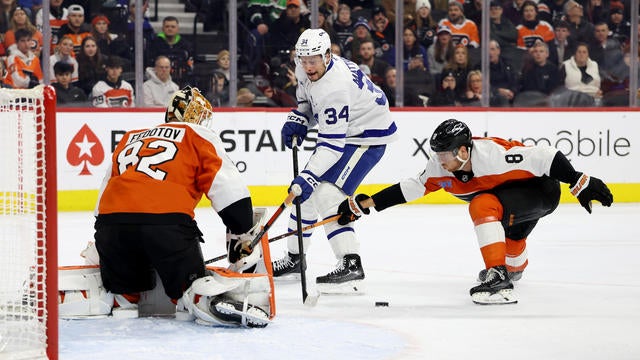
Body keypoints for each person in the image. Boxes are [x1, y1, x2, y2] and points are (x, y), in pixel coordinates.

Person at [336, 118, 613, 304]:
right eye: (438, 153)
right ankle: (510, 269)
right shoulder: (439, 168)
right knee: (513, 257)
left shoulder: (492, 154)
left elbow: (547, 156)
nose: (440, 160)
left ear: (465, 151)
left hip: (541, 192)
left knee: (482, 203)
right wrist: (364, 204)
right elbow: (410, 188)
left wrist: (577, 181)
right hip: (512, 205)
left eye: (445, 153)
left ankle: (498, 276)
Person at [89, 86, 272, 327]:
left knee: (124, 289)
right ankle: (198, 298)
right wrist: (241, 232)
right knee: (190, 287)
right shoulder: (197, 134)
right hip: (165, 228)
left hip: (111, 230)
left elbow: (100, 205)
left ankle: (124, 299)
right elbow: (229, 191)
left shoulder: (130, 136)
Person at [270, 28, 398, 294]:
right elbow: (306, 96)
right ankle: (295, 258)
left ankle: (351, 263)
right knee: (303, 195)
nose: (307, 66)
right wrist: (301, 115)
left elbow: (331, 145)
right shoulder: (306, 63)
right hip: (349, 131)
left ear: (328, 56)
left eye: (313, 60)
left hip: (366, 137)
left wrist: (308, 175)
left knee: (326, 194)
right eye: (303, 60)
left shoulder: (334, 88)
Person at [148, 16, 193, 87]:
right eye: (167, 26)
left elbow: (191, 62)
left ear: (177, 29)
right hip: (158, 80)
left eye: (173, 27)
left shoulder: (186, 44)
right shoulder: (154, 43)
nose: (170, 29)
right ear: (163, 29)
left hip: (181, 80)